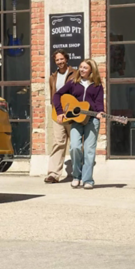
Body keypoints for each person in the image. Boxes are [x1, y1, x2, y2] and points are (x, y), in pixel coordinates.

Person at [52, 58, 105, 190]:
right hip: (76, 120)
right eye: (81, 67)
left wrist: (100, 112)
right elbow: (57, 95)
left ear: (91, 70)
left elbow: (99, 103)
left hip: (92, 120)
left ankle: (88, 180)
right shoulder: (73, 83)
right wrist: (59, 112)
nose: (81, 70)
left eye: (85, 68)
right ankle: (76, 176)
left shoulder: (97, 86)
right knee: (74, 147)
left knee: (89, 151)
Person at [45, 49, 76, 183]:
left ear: (66, 59)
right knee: (58, 143)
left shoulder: (76, 74)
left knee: (76, 144)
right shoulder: (53, 77)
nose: (60, 62)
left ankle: (77, 172)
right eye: (57, 60)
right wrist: (57, 111)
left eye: (61, 59)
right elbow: (54, 96)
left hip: (72, 114)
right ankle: (53, 173)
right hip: (58, 114)